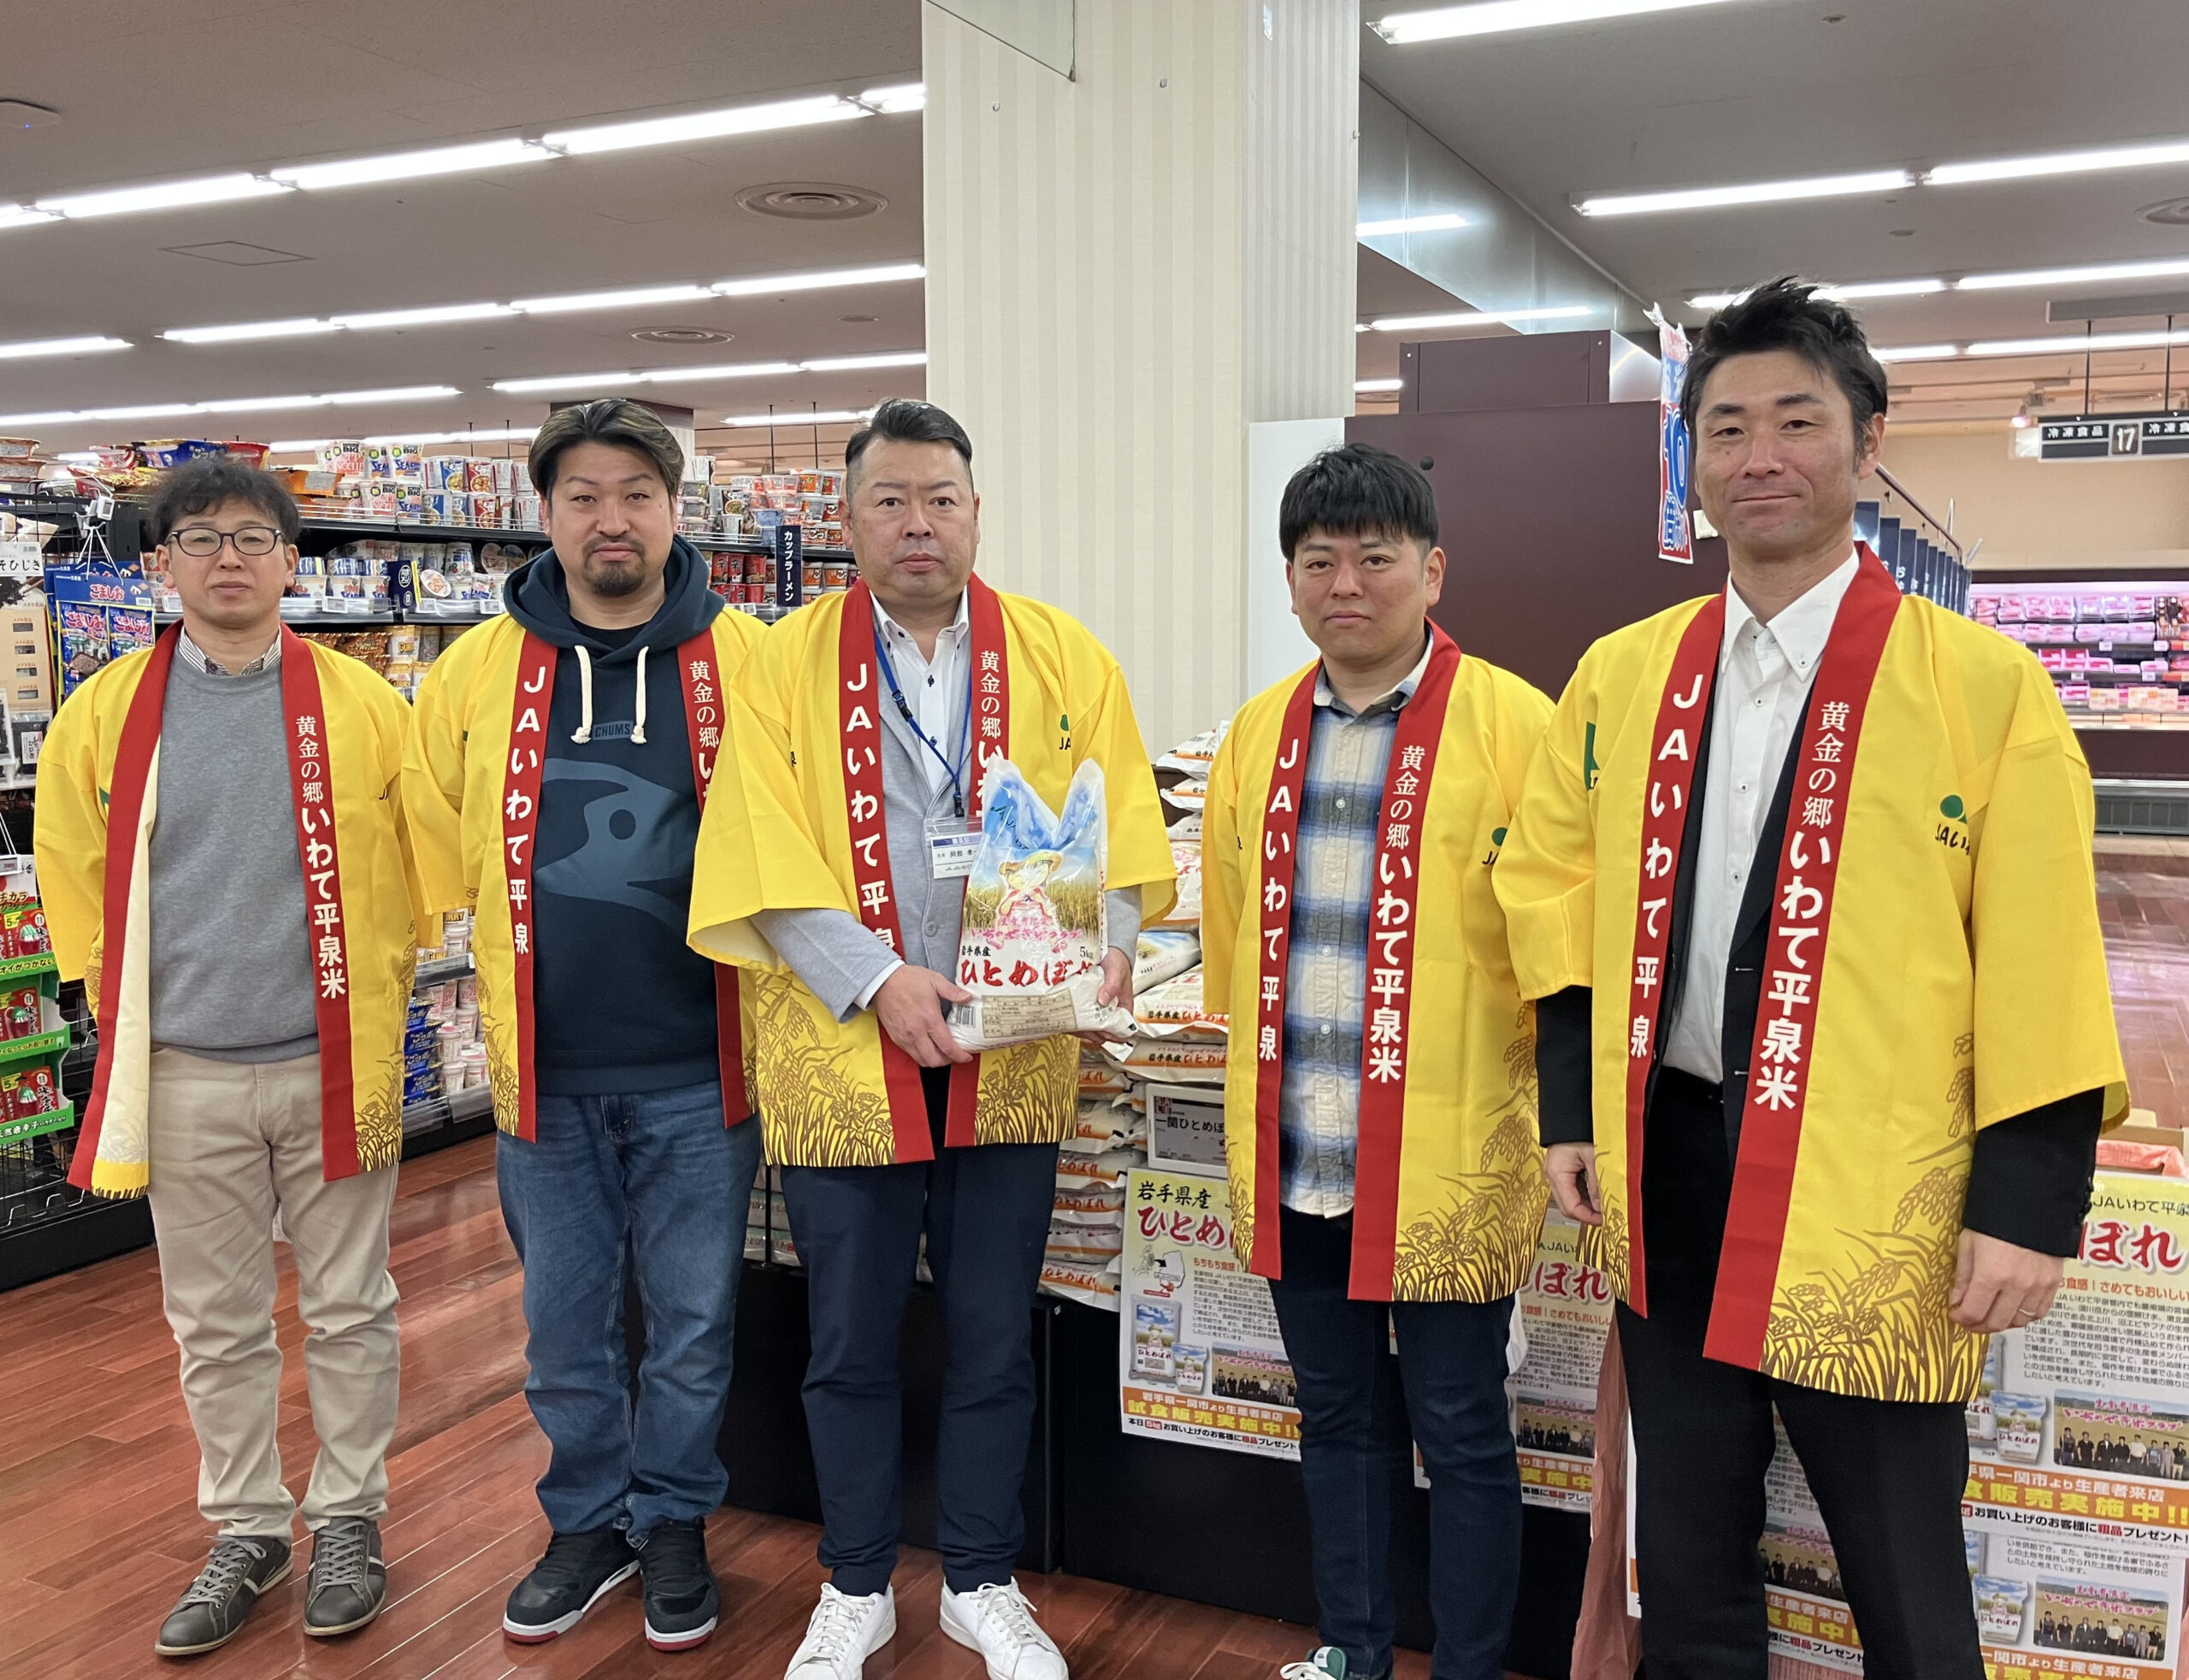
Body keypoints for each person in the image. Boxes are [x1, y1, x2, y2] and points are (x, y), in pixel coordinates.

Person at [1495, 277, 2127, 1680]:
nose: (1759, 456)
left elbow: (2040, 951)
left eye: (1797, 420)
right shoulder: (1623, 676)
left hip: (1878, 1193)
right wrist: (1570, 1105)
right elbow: (1551, 892)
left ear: (1867, 440)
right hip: (1671, 1166)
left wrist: (2027, 1199)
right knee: (1692, 1565)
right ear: (1693, 459)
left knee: (1906, 1584)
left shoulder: (1982, 687)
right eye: (1726, 428)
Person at [687, 398, 1175, 1680]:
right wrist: (876, 979)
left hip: (1015, 1049)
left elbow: (1117, 830)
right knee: (847, 1342)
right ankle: (854, 1583)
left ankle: (980, 1577)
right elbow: (760, 854)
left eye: (940, 498)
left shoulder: (1063, 656)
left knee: (993, 1334)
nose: (918, 523)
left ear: (976, 512)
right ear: (848, 521)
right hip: (848, 1050)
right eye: (890, 501)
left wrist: (1109, 944)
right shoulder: (781, 664)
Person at [38, 457, 428, 1656]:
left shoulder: (364, 703)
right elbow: (70, 868)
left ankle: (348, 1516)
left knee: (353, 1306)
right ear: (160, 565)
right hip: (185, 1068)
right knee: (213, 1321)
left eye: (254, 538)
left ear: (290, 563)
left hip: (335, 1059)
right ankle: (248, 1526)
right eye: (200, 539)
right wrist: (113, 1002)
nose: (228, 560)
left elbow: (419, 851)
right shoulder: (104, 711)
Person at [405, 399, 765, 1653]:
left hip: (702, 1064)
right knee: (563, 1328)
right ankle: (585, 1521)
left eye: (636, 494)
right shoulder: (473, 670)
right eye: (583, 496)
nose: (612, 519)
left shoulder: (750, 658)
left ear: (675, 508)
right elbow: (427, 825)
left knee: (693, 1325)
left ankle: (673, 1519)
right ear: (546, 514)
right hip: (540, 1071)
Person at [1200, 445, 1554, 1680]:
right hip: (1300, 1148)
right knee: (1338, 1417)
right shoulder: (1257, 735)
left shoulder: (1518, 726)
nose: (1345, 584)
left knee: (1462, 1429)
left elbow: (1561, 948)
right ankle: (1352, 1649)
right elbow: (1233, 937)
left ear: (1433, 570)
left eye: (1375, 558)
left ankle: (1468, 1666)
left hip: (1450, 1153)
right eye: (1318, 561)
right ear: (1291, 579)